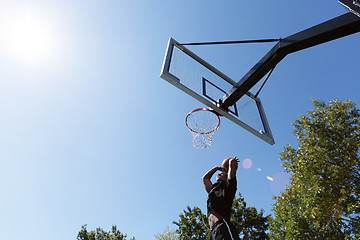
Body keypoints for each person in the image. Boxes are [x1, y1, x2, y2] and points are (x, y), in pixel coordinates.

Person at [202, 157, 240, 240]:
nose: (220, 173)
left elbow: (232, 168)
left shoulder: (228, 188)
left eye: (223, 173)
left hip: (223, 226)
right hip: (213, 232)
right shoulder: (213, 190)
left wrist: (231, 162)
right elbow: (205, 178)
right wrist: (216, 168)